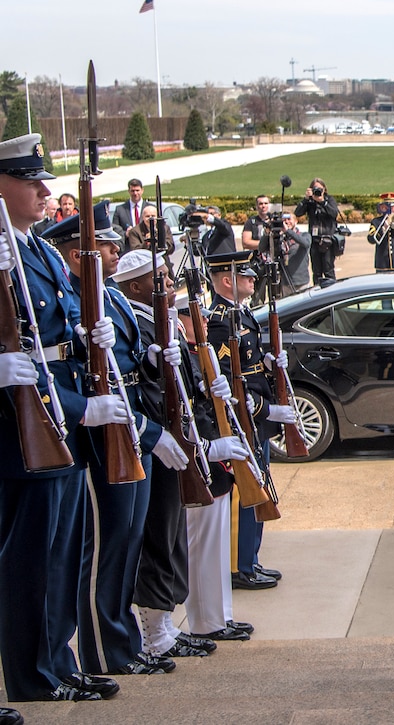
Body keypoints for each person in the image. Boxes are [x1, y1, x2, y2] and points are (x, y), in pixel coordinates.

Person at [0, 133, 124, 703]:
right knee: (30, 560)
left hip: (62, 415)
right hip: (25, 424)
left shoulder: (45, 252)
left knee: (65, 554)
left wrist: (91, 334)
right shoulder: (4, 253)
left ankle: (58, 660)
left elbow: (65, 325)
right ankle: (32, 676)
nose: (44, 192)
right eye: (31, 182)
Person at [45, 202, 190, 677]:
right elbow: (95, 378)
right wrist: (148, 430)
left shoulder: (115, 298)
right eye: (104, 245)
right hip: (110, 433)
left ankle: (122, 645)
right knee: (107, 549)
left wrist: (151, 359)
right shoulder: (88, 298)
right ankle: (105, 651)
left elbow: (126, 368)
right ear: (75, 254)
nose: (113, 250)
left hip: (131, 427)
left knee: (128, 541)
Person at [112, 250, 230, 661]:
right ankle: (154, 631)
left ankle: (164, 624)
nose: (166, 282)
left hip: (177, 437)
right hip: (157, 438)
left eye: (165, 274)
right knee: (158, 536)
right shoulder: (132, 321)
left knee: (173, 533)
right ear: (134, 286)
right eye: (156, 277)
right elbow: (141, 386)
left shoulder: (163, 321)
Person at [206, 251, 294, 591]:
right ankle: (239, 566)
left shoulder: (242, 314)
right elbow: (226, 381)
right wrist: (265, 409)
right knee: (246, 491)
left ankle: (251, 560)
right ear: (228, 281)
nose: (253, 281)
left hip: (255, 419)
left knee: (258, 486)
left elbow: (251, 366)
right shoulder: (218, 321)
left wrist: (271, 364)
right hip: (243, 418)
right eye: (247, 277)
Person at [176, 302, 255, 643]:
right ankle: (206, 621)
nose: (205, 320)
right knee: (202, 548)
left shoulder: (199, 353)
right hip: (202, 462)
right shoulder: (183, 355)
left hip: (217, 464)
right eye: (194, 316)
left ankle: (220, 616)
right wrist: (209, 449)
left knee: (217, 547)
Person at [294, 178, 341, 288]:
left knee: (328, 270)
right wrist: (306, 199)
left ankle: (332, 293)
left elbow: (334, 213)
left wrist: (322, 201)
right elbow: (297, 213)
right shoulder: (310, 202)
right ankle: (318, 295)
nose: (318, 191)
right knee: (316, 271)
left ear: (324, 189)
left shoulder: (329, 200)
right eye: (315, 189)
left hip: (328, 240)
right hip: (314, 241)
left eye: (320, 189)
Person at [260, 211, 311, 293]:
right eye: (284, 220)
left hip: (301, 282)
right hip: (285, 282)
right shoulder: (280, 238)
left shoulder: (304, 235)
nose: (287, 222)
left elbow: (305, 243)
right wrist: (267, 233)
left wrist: (288, 231)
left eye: (289, 219)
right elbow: (261, 248)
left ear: (296, 221)